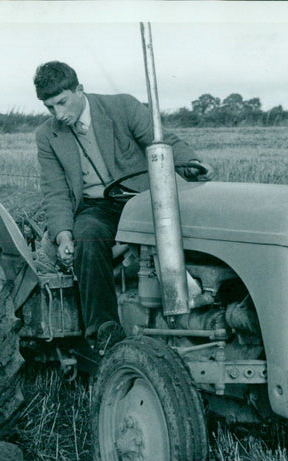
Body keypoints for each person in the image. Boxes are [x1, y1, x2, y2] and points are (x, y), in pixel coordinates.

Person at [33, 61, 212, 352]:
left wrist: (191, 164)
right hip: (97, 208)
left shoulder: (123, 108)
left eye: (63, 103)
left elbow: (163, 141)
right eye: (50, 107)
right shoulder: (47, 136)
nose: (59, 114)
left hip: (141, 199)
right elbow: (55, 191)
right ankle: (104, 332)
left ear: (79, 89)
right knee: (87, 236)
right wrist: (63, 235)